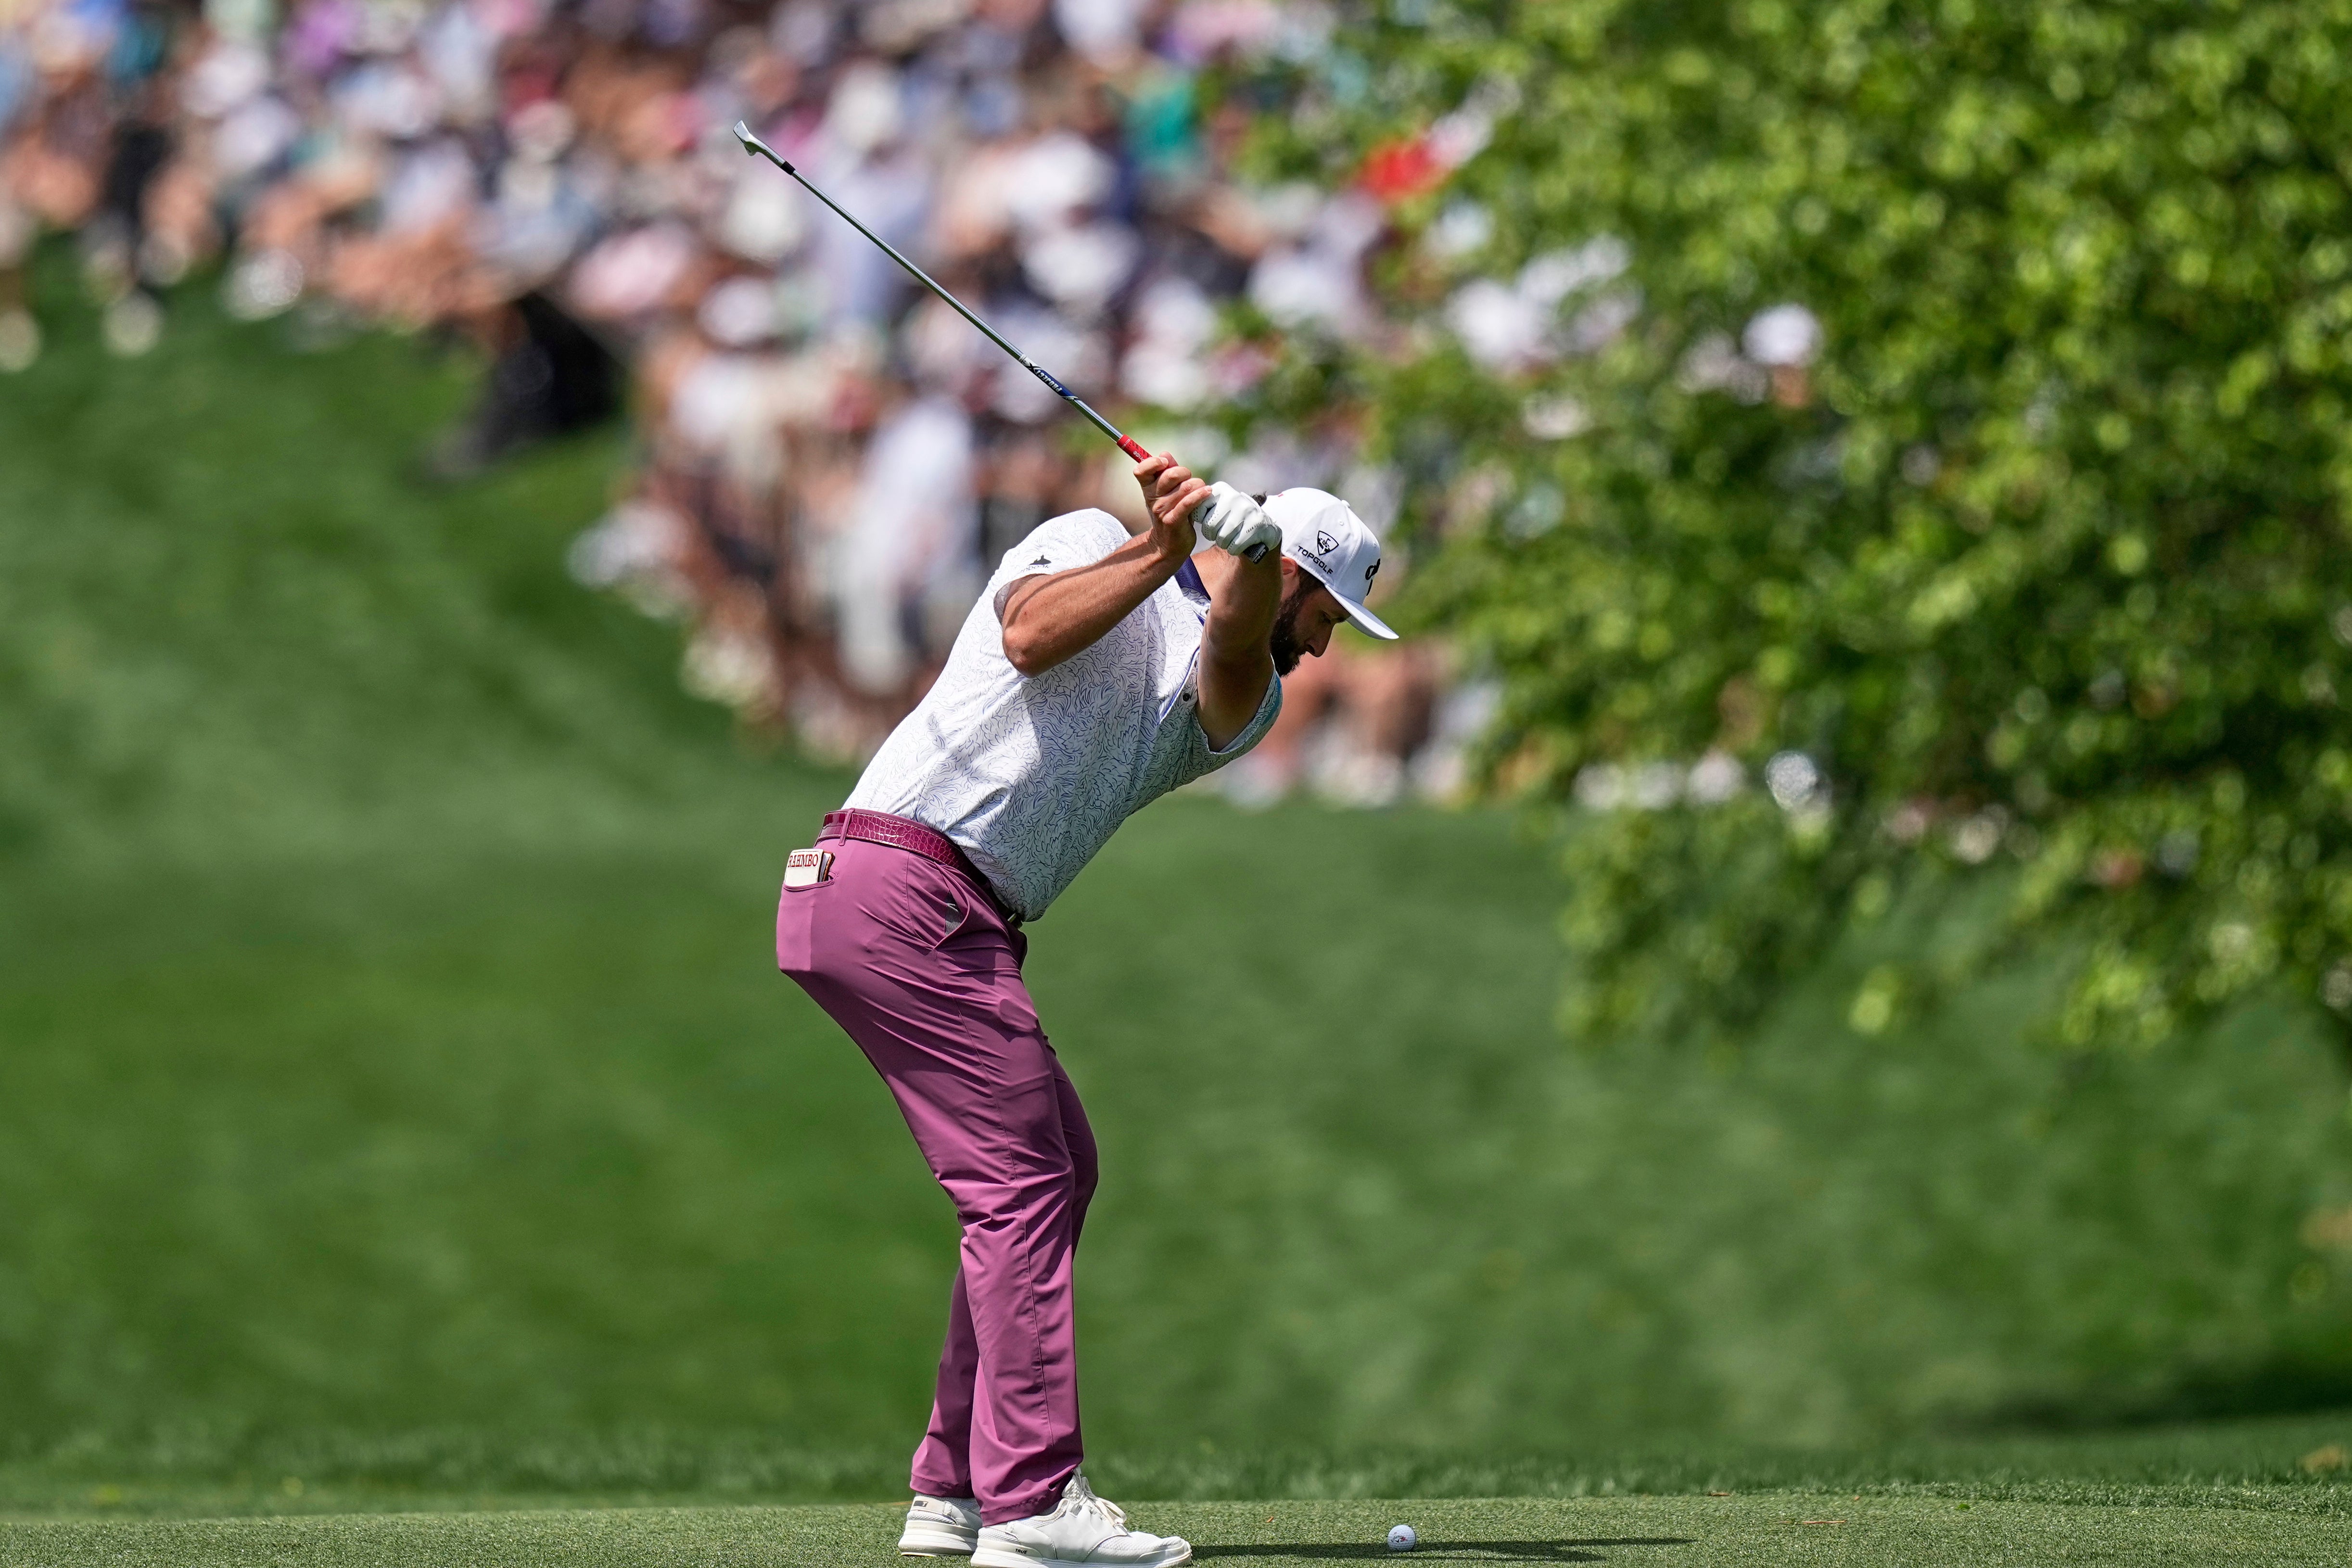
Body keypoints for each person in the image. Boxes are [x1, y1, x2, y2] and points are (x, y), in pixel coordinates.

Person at [775, 457, 1397, 1568]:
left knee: (1060, 1160)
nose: (1325, 644)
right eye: (1328, 611)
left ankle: (955, 1486)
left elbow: (1238, 646)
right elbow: (1028, 638)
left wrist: (1242, 559)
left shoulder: (1242, 697)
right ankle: (1030, 1501)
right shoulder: (1078, 537)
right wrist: (1164, 548)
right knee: (1022, 1184)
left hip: (928, 911)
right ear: (1303, 575)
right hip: (901, 885)